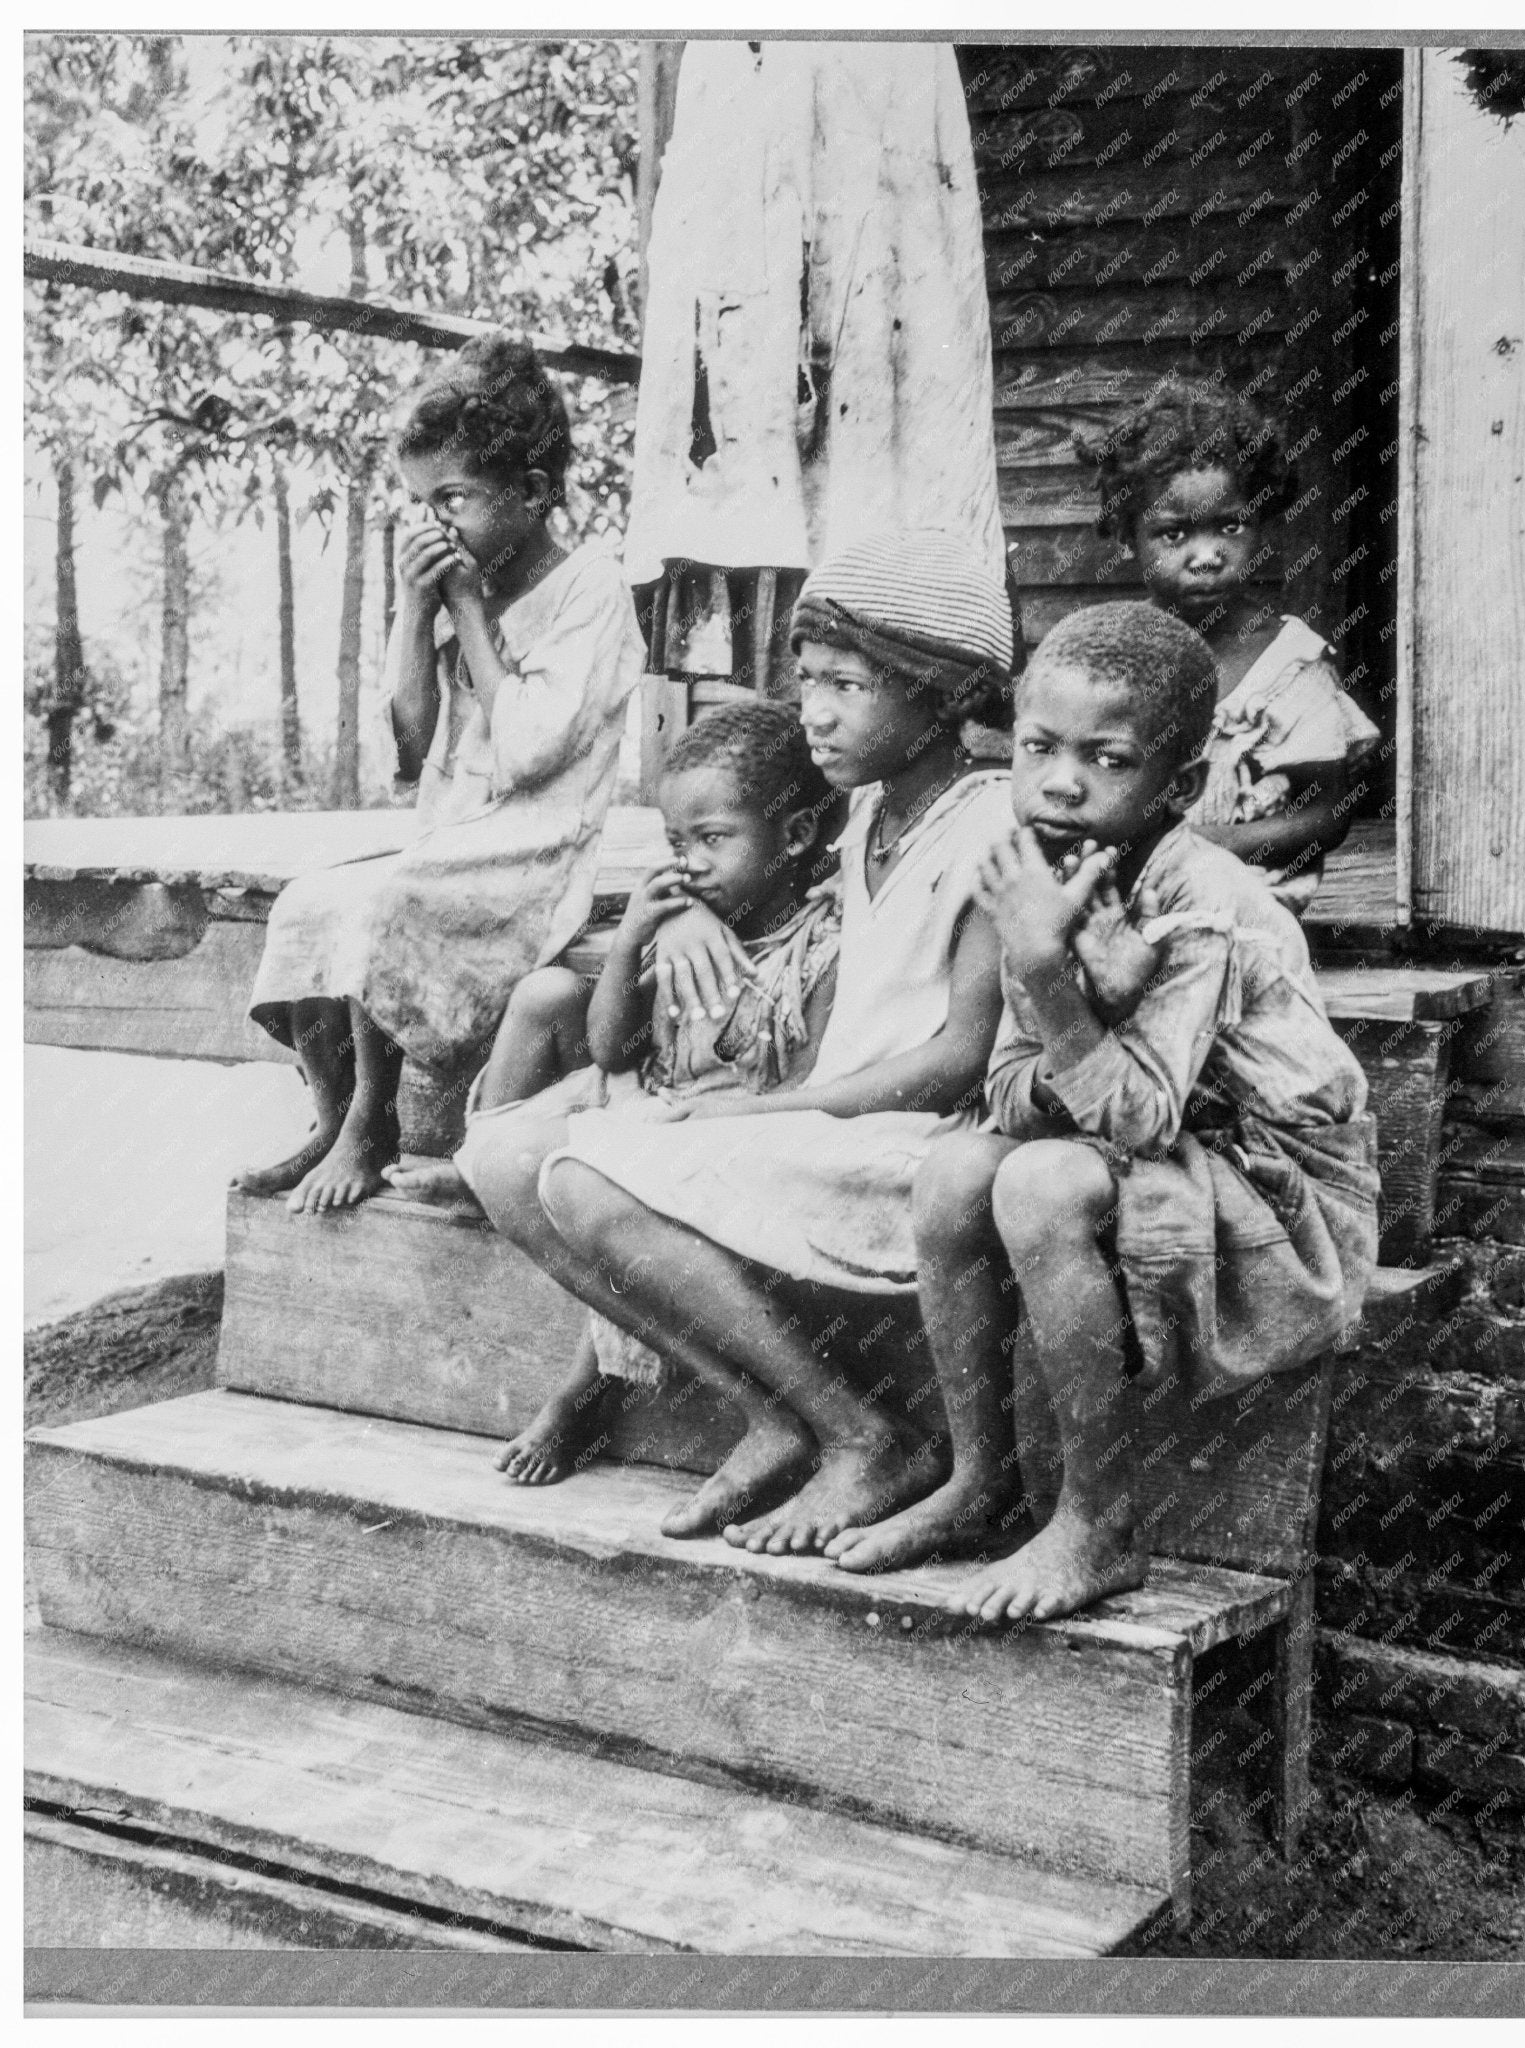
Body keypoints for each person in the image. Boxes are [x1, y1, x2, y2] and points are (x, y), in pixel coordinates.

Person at [459, 528, 1016, 1550]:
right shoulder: (864, 816)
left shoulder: (990, 827)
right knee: (503, 1160)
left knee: (582, 1181)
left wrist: (767, 1110)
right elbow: (746, 845)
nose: (816, 712)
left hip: (911, 1146)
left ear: (942, 694)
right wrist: (680, 913)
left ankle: (863, 1432)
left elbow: (958, 1061)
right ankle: (772, 1414)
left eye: (849, 685)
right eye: (808, 681)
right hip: (825, 1126)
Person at [826, 603, 1380, 1623]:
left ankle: (1100, 1520)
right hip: (1173, 1156)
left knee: (1041, 1181)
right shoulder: (1038, 870)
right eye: (1039, 746)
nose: (1063, 781)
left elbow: (1138, 1120)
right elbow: (1003, 1085)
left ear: (1179, 785)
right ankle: (983, 1477)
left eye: (1108, 758)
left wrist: (1051, 980)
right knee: (956, 1168)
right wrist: (1074, 1006)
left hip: (1286, 1201)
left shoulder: (1205, 904)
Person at [388, 700, 846, 1484]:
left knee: (601, 1194)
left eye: (713, 839)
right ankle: (483, 1171)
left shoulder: (815, 947)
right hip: (645, 1091)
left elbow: (781, 1090)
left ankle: (584, 1390)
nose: (689, 864)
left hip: (711, 1128)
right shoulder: (690, 915)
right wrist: (639, 929)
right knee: (546, 1000)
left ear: (796, 835)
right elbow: (609, 1048)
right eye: (676, 843)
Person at [238, 333, 644, 1211]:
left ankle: (371, 1121)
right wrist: (417, 611)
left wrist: (464, 606)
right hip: (450, 839)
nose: (434, 524)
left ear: (531, 492)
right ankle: (331, 1115)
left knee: (386, 901)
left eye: (452, 499)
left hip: (535, 853)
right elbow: (412, 742)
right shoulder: (462, 581)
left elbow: (529, 751)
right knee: (307, 903)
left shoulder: (591, 588)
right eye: (421, 502)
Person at [1084, 377, 1379, 912]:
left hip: (1248, 902)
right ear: (1128, 538)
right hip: (1125, 890)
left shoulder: (1287, 666)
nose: (1207, 555)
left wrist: (1194, 850)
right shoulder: (1114, 652)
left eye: (1230, 527)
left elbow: (1327, 815)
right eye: (1174, 534)